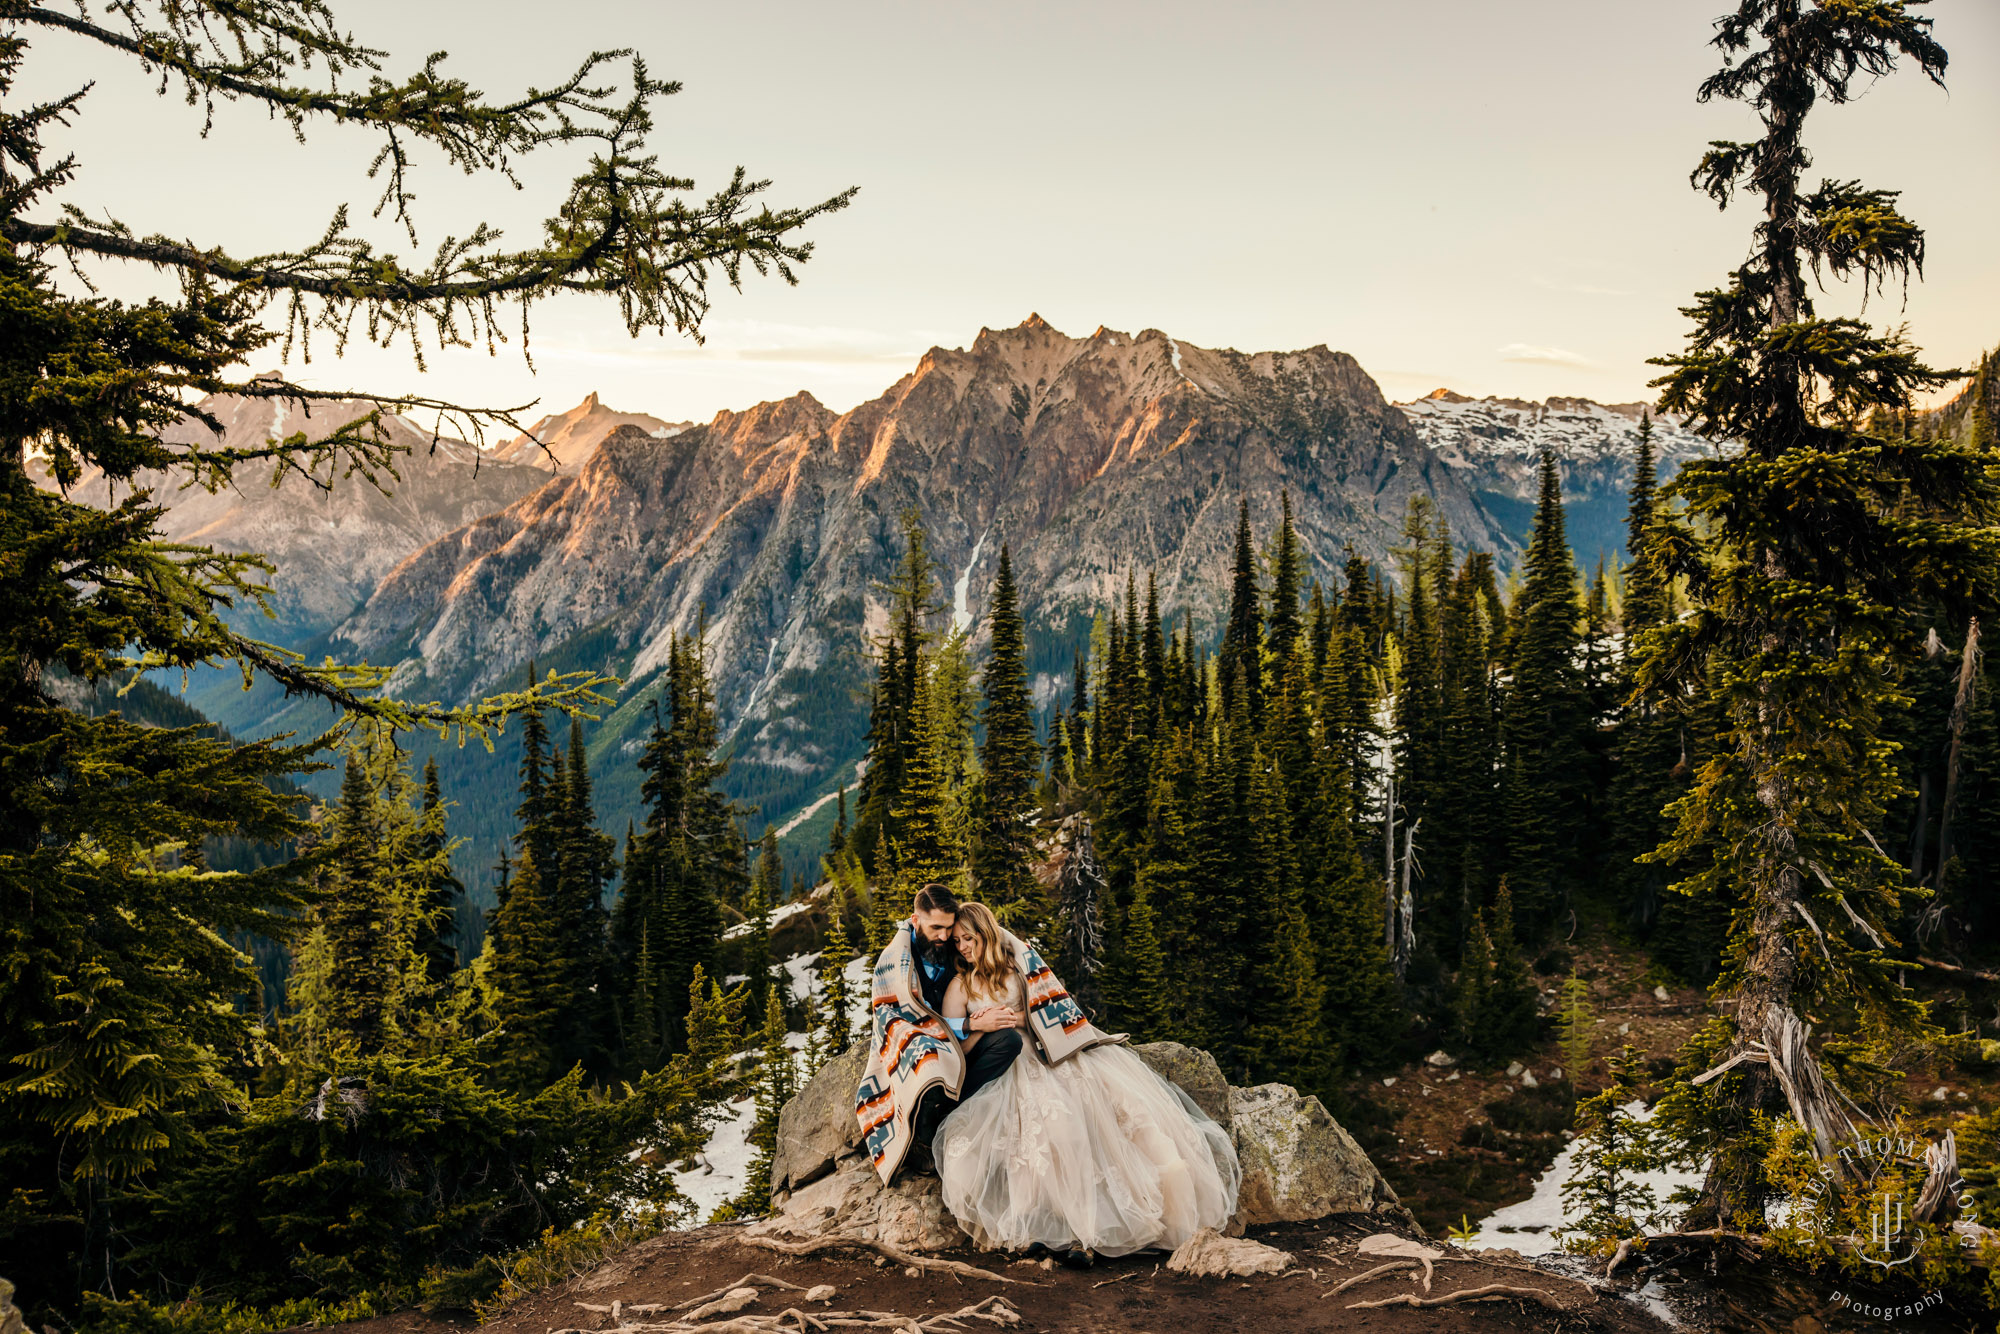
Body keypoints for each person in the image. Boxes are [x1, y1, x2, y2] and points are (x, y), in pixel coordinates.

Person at [932, 902, 1241, 1260]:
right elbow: (956, 1047)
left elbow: (1054, 1011)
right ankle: (1048, 1229)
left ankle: (1091, 1232)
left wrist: (1014, 1017)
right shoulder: (960, 986)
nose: (962, 947)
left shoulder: (1019, 970)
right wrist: (979, 1026)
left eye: (968, 938)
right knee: (1047, 1132)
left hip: (1049, 1055)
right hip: (1008, 1068)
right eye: (957, 942)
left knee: (1089, 1120)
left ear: (987, 933)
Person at [852, 884, 1022, 1184]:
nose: (945, 937)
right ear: (915, 921)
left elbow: (991, 937)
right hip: (925, 1040)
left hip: (963, 1041)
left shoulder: (954, 947)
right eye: (936, 928)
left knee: (1009, 1041)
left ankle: (950, 1110)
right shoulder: (896, 960)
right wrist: (971, 1025)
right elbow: (898, 1019)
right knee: (924, 1054)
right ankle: (921, 1136)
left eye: (949, 929)